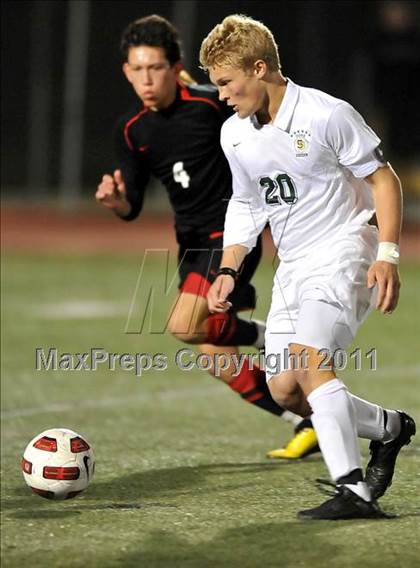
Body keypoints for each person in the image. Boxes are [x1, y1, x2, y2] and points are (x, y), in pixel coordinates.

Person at [200, 14, 416, 520]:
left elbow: (384, 181)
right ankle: (389, 428)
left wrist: (387, 255)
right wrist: (230, 268)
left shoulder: (326, 114)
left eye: (228, 84)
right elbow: (247, 202)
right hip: (292, 266)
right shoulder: (235, 133)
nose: (223, 96)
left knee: (310, 361)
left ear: (259, 68)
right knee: (286, 391)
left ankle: (353, 490)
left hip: (345, 249)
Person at [95, 15, 318, 458]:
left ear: (175, 67)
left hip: (233, 233)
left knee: (184, 325)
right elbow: (133, 204)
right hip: (191, 243)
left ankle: (276, 336)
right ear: (126, 71)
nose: (146, 79)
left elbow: (264, 118)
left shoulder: (209, 104)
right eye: (136, 69)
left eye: (155, 68)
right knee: (215, 355)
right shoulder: (131, 129)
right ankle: (309, 421)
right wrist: (117, 201)